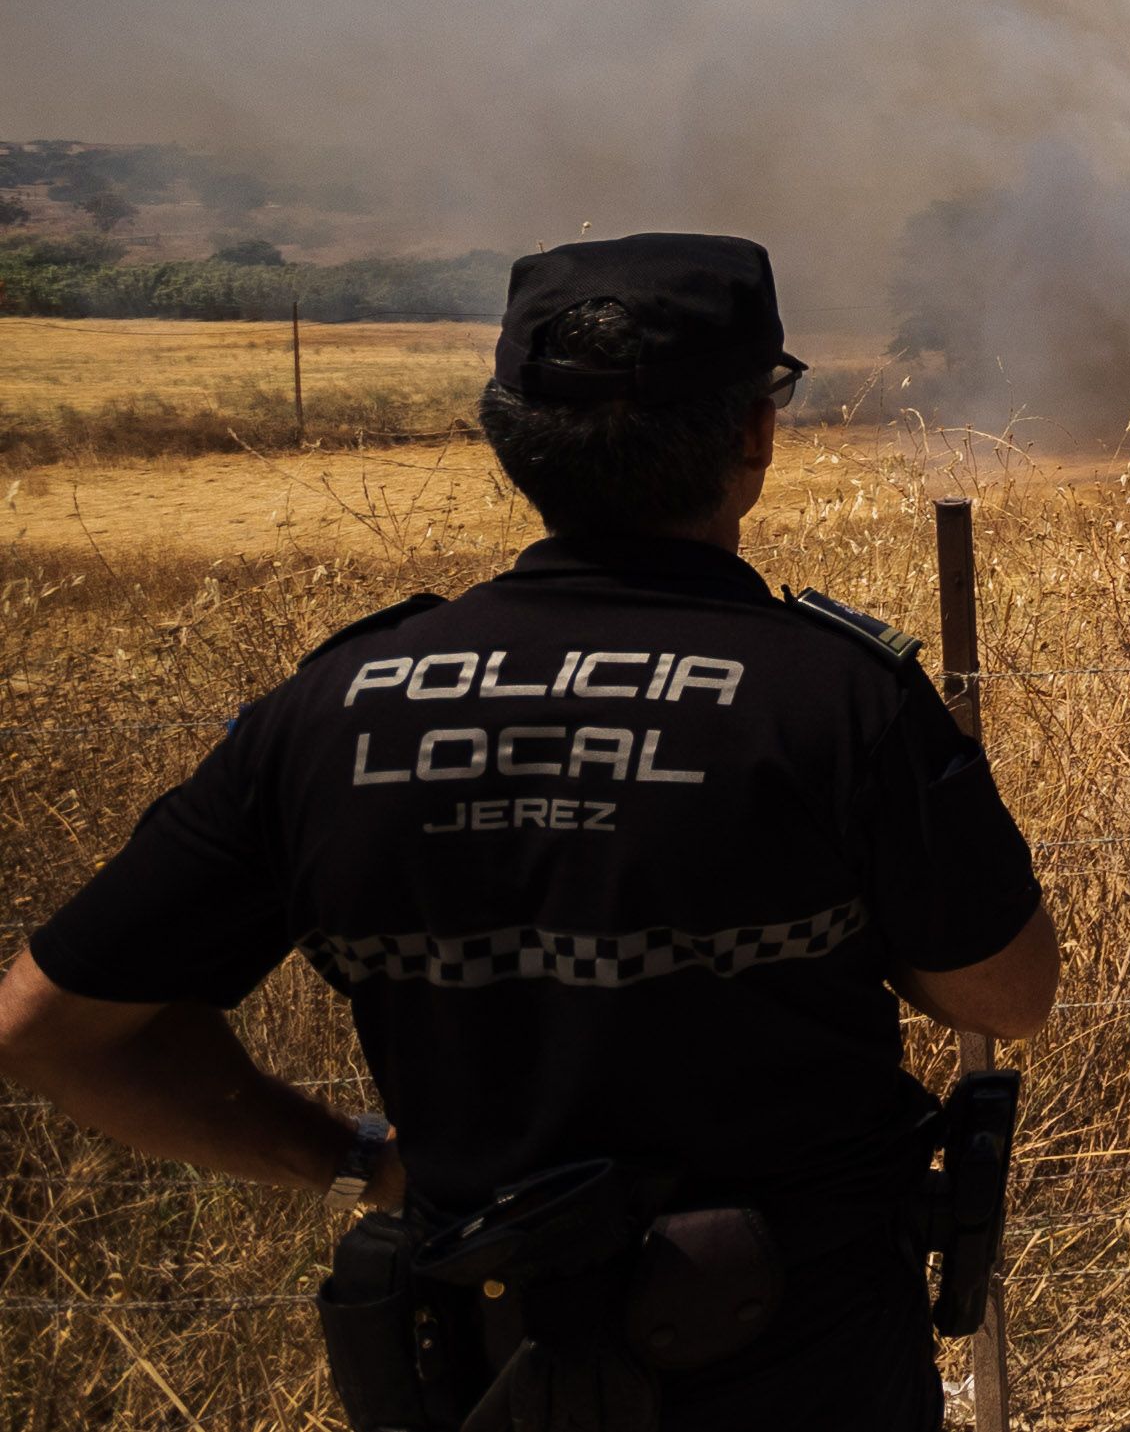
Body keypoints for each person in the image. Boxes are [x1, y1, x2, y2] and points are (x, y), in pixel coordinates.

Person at [0, 232, 1058, 1431]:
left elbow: (45, 1027)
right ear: (756, 434)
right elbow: (1005, 994)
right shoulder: (837, 698)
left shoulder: (331, 709)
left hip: (479, 1374)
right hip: (801, 1364)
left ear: (509, 435)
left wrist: (347, 1159)